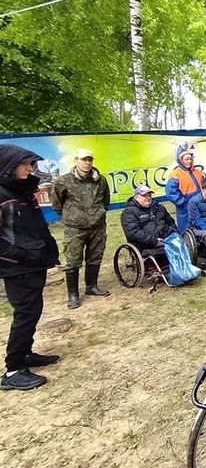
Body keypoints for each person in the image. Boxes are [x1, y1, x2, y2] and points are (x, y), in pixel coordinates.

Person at [0, 145, 60, 391]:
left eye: (30, 164)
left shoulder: (22, 191)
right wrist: (20, 256)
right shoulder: (3, 195)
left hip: (33, 262)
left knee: (32, 311)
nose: (30, 168)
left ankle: (25, 354)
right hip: (18, 266)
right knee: (26, 314)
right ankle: (13, 370)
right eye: (24, 164)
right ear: (8, 167)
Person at [51, 148, 111, 309]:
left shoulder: (100, 180)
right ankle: (73, 295)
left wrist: (99, 213)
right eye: (84, 159)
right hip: (75, 228)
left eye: (90, 159)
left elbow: (105, 200)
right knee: (73, 261)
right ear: (76, 161)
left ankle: (92, 287)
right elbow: (56, 203)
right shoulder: (63, 181)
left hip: (97, 226)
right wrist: (72, 215)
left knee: (95, 257)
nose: (87, 163)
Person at [121, 185, 178, 251]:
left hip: (167, 241)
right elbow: (133, 232)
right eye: (144, 196)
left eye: (149, 195)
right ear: (136, 197)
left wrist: (174, 233)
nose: (148, 198)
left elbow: (171, 223)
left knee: (182, 246)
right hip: (147, 246)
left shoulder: (159, 208)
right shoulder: (129, 212)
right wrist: (154, 241)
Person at [165, 148, 206, 232]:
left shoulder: (198, 172)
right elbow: (171, 193)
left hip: (199, 204)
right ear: (181, 160)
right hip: (185, 206)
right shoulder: (175, 174)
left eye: (190, 159)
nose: (189, 161)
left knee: (201, 226)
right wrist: (183, 203)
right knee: (186, 229)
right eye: (186, 159)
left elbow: (205, 186)